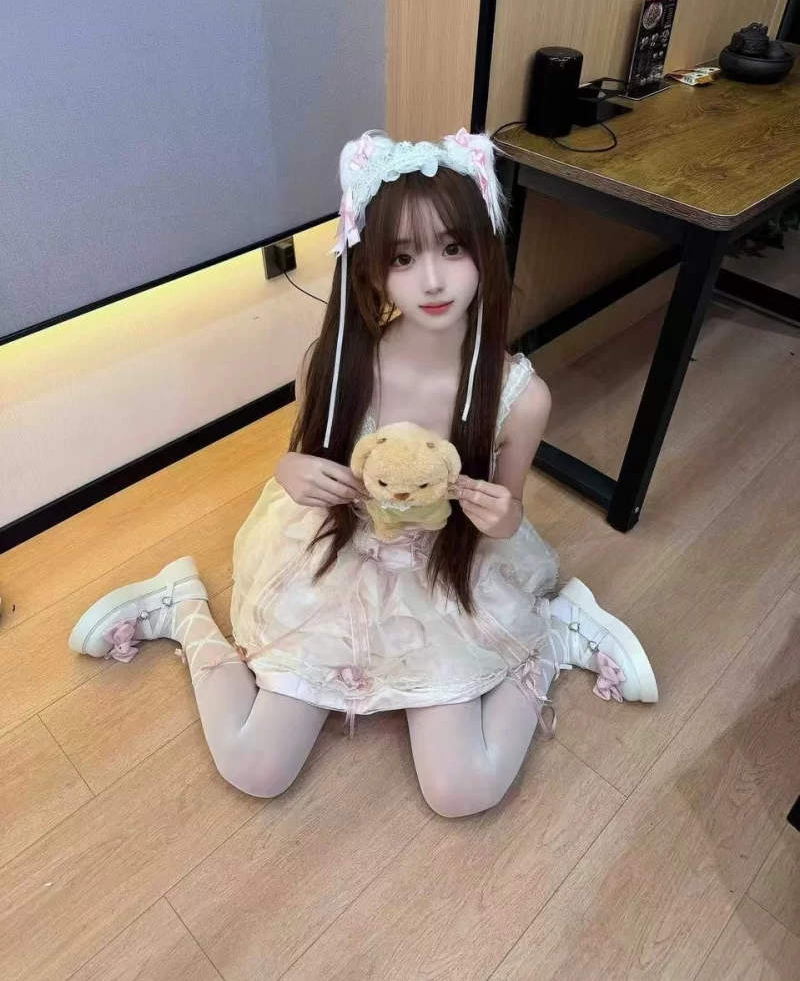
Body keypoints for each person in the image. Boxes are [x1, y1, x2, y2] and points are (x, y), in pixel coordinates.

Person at [69, 130, 657, 818]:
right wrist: (289, 467)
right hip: (341, 553)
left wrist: (501, 514)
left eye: (453, 248)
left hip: (449, 568)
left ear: (485, 249)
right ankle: (181, 607)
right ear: (371, 267)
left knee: (461, 790)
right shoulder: (335, 364)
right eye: (403, 257)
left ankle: (557, 634)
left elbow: (511, 509)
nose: (432, 280)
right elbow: (308, 460)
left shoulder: (519, 396)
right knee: (256, 766)